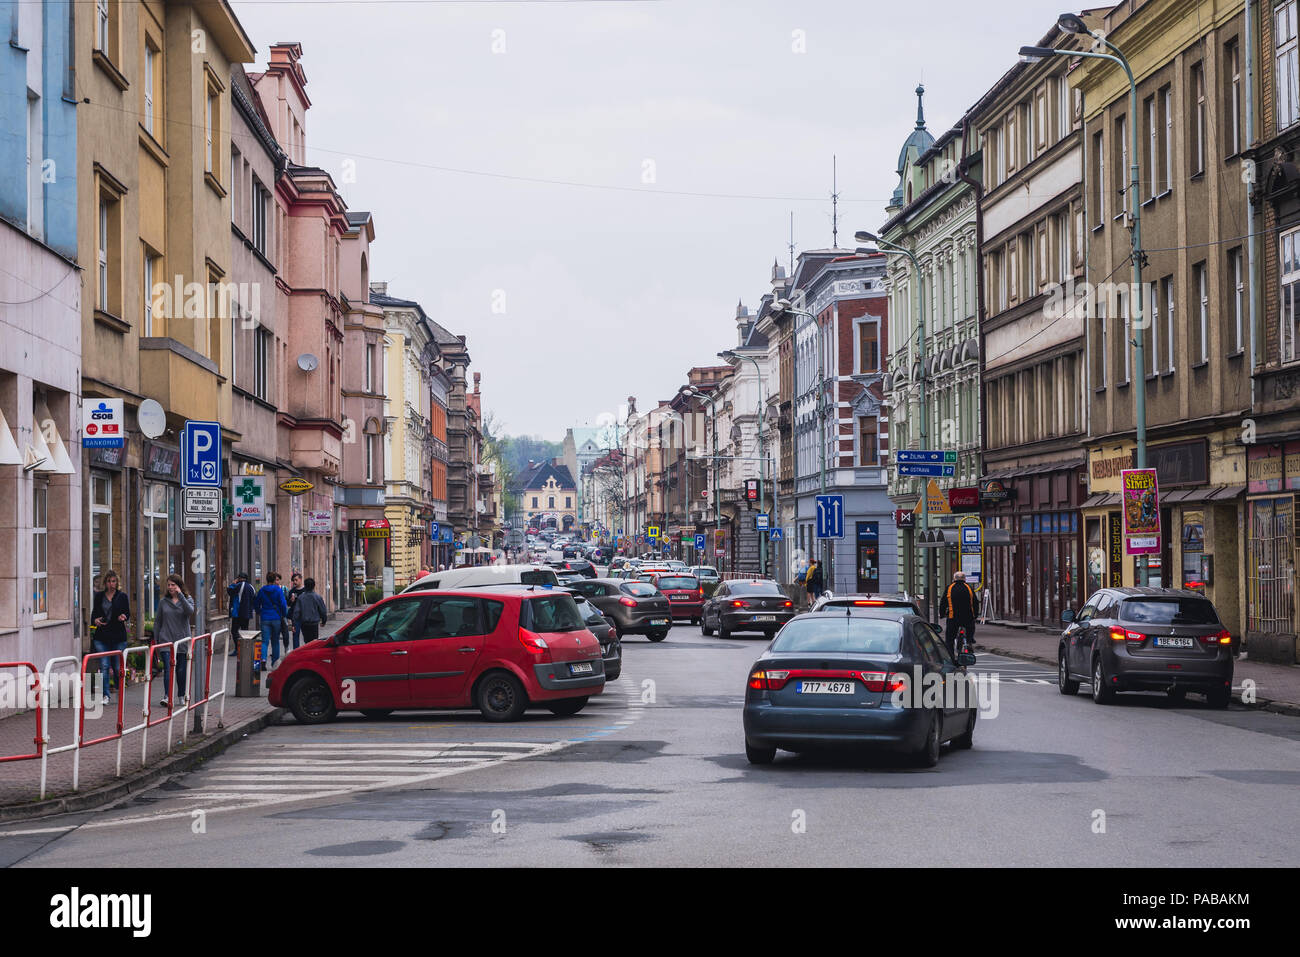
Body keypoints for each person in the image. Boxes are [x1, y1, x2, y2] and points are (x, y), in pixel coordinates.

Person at [153, 574, 195, 707]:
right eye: (169, 585)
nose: (170, 587)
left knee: (181, 671)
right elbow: (158, 622)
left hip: (182, 641)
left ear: (179, 586)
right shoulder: (163, 602)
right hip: (166, 640)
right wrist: (157, 641)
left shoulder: (188, 599)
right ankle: (167, 696)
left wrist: (181, 596)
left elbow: (190, 612)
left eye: (173, 585)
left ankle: (181, 695)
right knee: (168, 668)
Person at [90, 570, 130, 703]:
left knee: (118, 667)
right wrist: (95, 620)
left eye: (113, 581)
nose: (111, 584)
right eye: (108, 581)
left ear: (117, 582)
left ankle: (120, 691)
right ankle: (105, 695)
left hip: (118, 636)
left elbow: (127, 613)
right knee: (104, 665)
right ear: (105, 583)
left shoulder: (122, 596)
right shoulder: (99, 596)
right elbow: (94, 614)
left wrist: (123, 616)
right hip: (102, 636)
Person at [940, 571, 978, 659]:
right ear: (965, 579)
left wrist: (941, 614)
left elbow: (943, 602)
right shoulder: (969, 588)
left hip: (953, 617)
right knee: (971, 628)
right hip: (968, 617)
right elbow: (975, 602)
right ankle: (969, 641)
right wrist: (975, 615)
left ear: (954, 579)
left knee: (949, 639)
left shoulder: (949, 588)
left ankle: (951, 656)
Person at [255, 573, 288, 671]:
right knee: (275, 641)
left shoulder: (262, 590)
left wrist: (259, 612)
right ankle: (275, 663)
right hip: (276, 618)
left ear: (266, 579)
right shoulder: (278, 590)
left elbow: (256, 603)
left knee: (264, 641)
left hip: (265, 617)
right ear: (274, 580)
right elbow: (283, 604)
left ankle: (263, 660)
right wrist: (283, 614)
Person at [291, 577, 330, 644]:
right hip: (314, 623)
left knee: (307, 641)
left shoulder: (301, 598)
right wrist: (324, 620)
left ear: (305, 586)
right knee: (314, 641)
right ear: (314, 586)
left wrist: (294, 624)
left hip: (304, 623)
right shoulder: (317, 597)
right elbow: (323, 610)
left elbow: (296, 612)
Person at [227, 572, 256, 656]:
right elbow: (254, 598)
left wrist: (233, 583)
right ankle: (245, 649)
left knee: (234, 631)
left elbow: (230, 591)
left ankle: (237, 649)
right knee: (244, 631)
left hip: (238, 612)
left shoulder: (239, 585)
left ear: (239, 578)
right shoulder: (251, 587)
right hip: (247, 613)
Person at [284, 572, 304, 652]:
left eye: (296, 580)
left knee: (306, 636)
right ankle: (296, 652)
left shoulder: (305, 590)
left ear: (300, 579)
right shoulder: (291, 591)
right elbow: (288, 604)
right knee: (295, 635)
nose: (294, 582)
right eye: (293, 580)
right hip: (295, 617)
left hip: (305, 616)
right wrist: (291, 600)